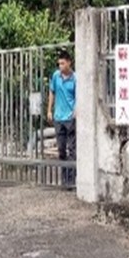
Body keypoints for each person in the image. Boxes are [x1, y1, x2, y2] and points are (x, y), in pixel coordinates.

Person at [47, 48, 76, 187]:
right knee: (61, 150)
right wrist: (49, 110)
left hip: (70, 118)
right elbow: (52, 92)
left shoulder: (75, 78)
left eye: (63, 63)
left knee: (72, 149)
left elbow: (78, 96)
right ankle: (64, 179)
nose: (60, 66)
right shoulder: (56, 76)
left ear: (69, 63)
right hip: (58, 117)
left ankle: (71, 180)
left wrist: (75, 110)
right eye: (59, 64)